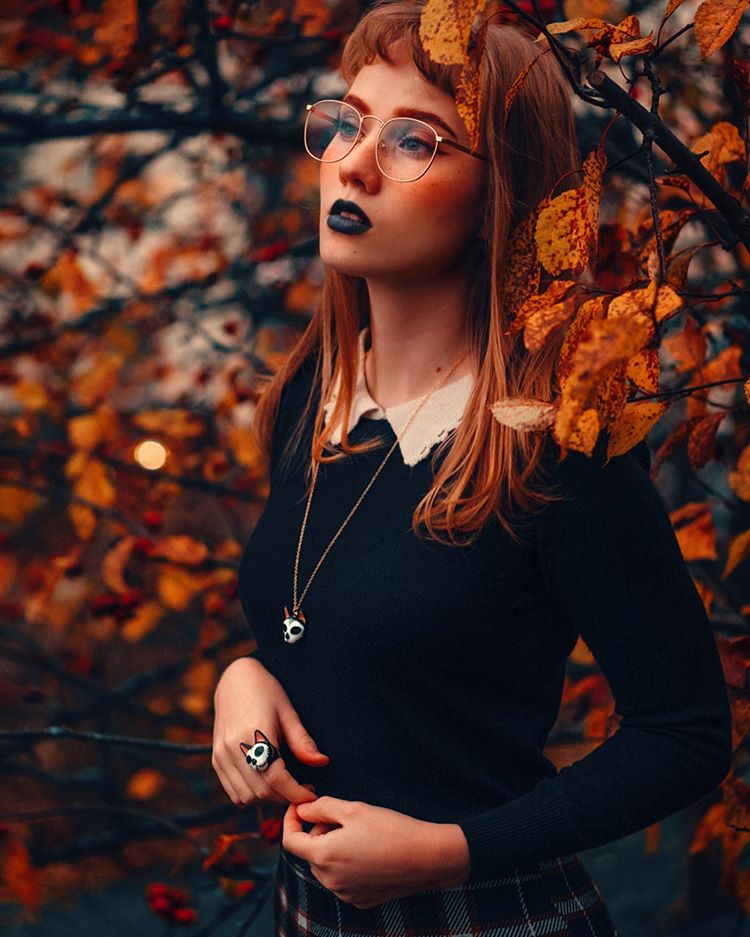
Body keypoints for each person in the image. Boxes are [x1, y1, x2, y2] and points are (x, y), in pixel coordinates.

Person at [211, 1, 733, 934]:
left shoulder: (554, 445)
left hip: (494, 913)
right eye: (349, 121)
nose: (356, 161)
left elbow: (685, 736)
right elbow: (325, 620)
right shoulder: (311, 399)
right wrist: (244, 678)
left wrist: (451, 847)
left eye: (417, 140)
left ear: (501, 198)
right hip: (310, 915)